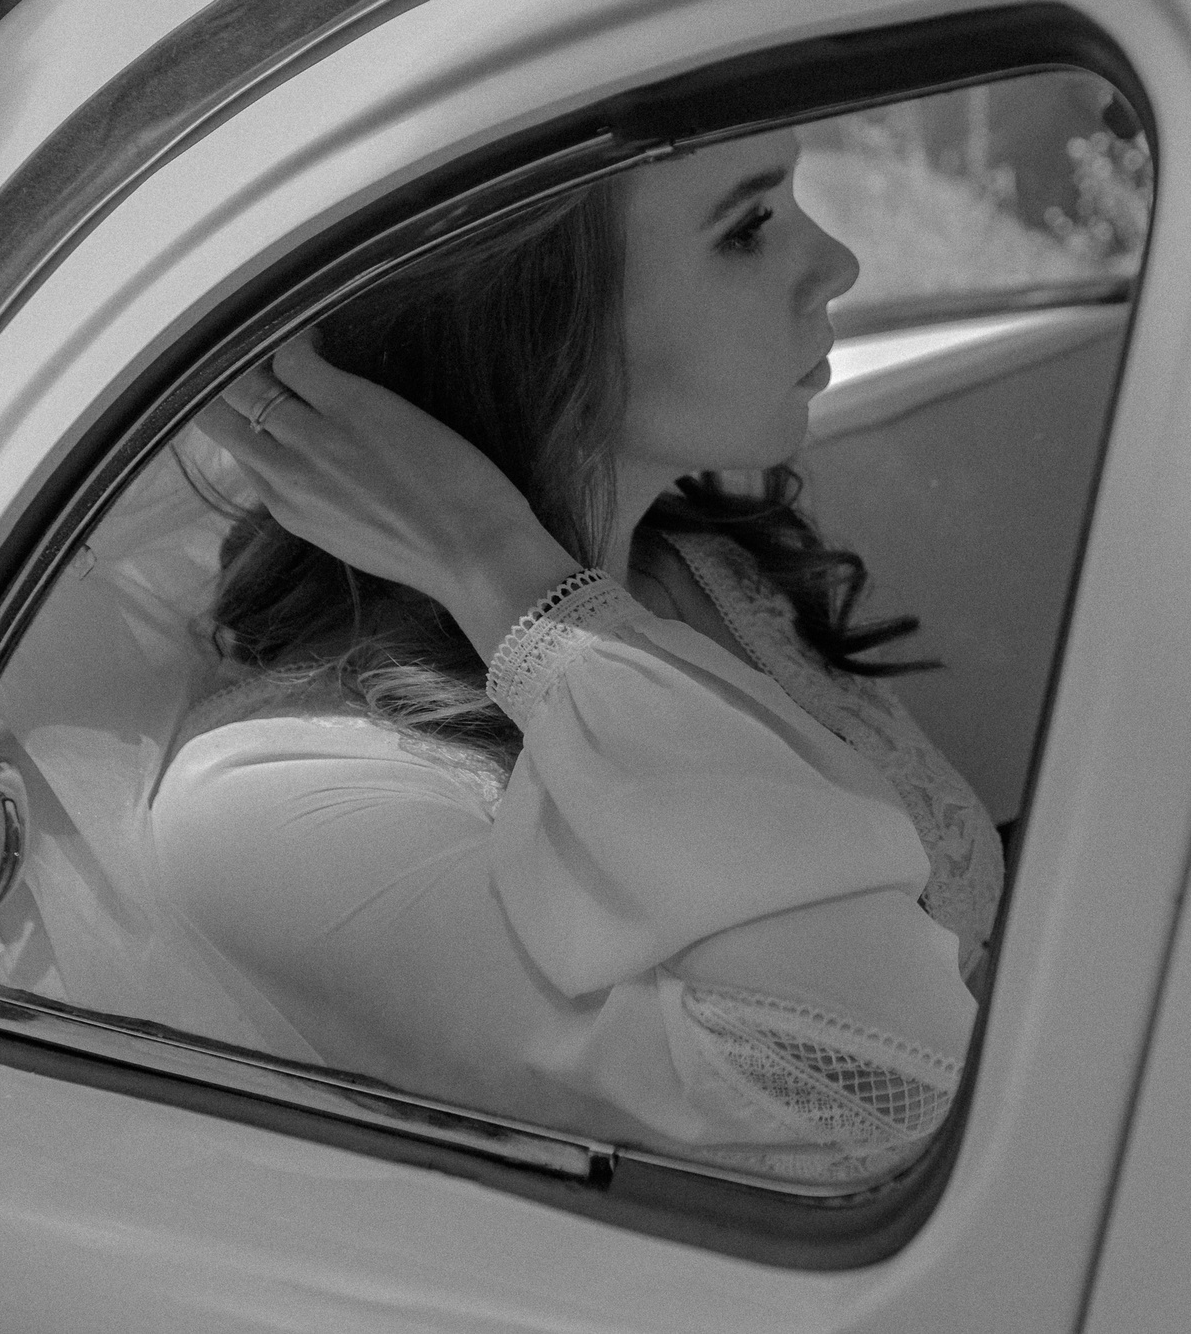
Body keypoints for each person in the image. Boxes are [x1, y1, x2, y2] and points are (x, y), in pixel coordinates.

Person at [153, 129, 1001, 1185]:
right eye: (746, 227)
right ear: (525, 324)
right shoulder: (274, 805)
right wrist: (504, 576)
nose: (837, 263)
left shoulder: (700, 568)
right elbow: (891, 1091)